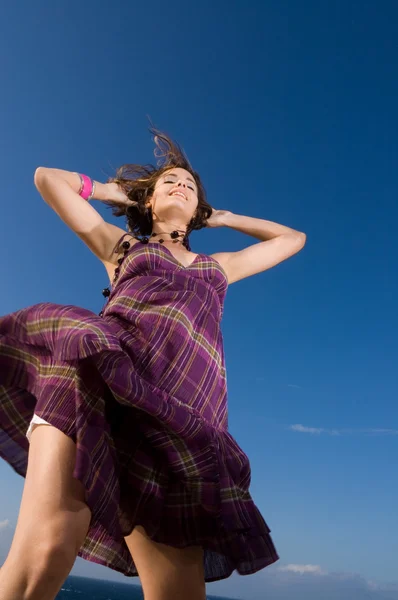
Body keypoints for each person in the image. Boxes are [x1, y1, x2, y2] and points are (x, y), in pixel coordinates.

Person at [0, 129, 306, 600]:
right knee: (42, 559)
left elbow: (292, 238)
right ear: (146, 201)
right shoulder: (122, 248)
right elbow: (48, 179)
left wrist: (221, 217)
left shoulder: (217, 267)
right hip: (96, 381)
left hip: (180, 412)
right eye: (168, 182)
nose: (180, 185)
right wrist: (118, 192)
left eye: (189, 184)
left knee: (177, 592)